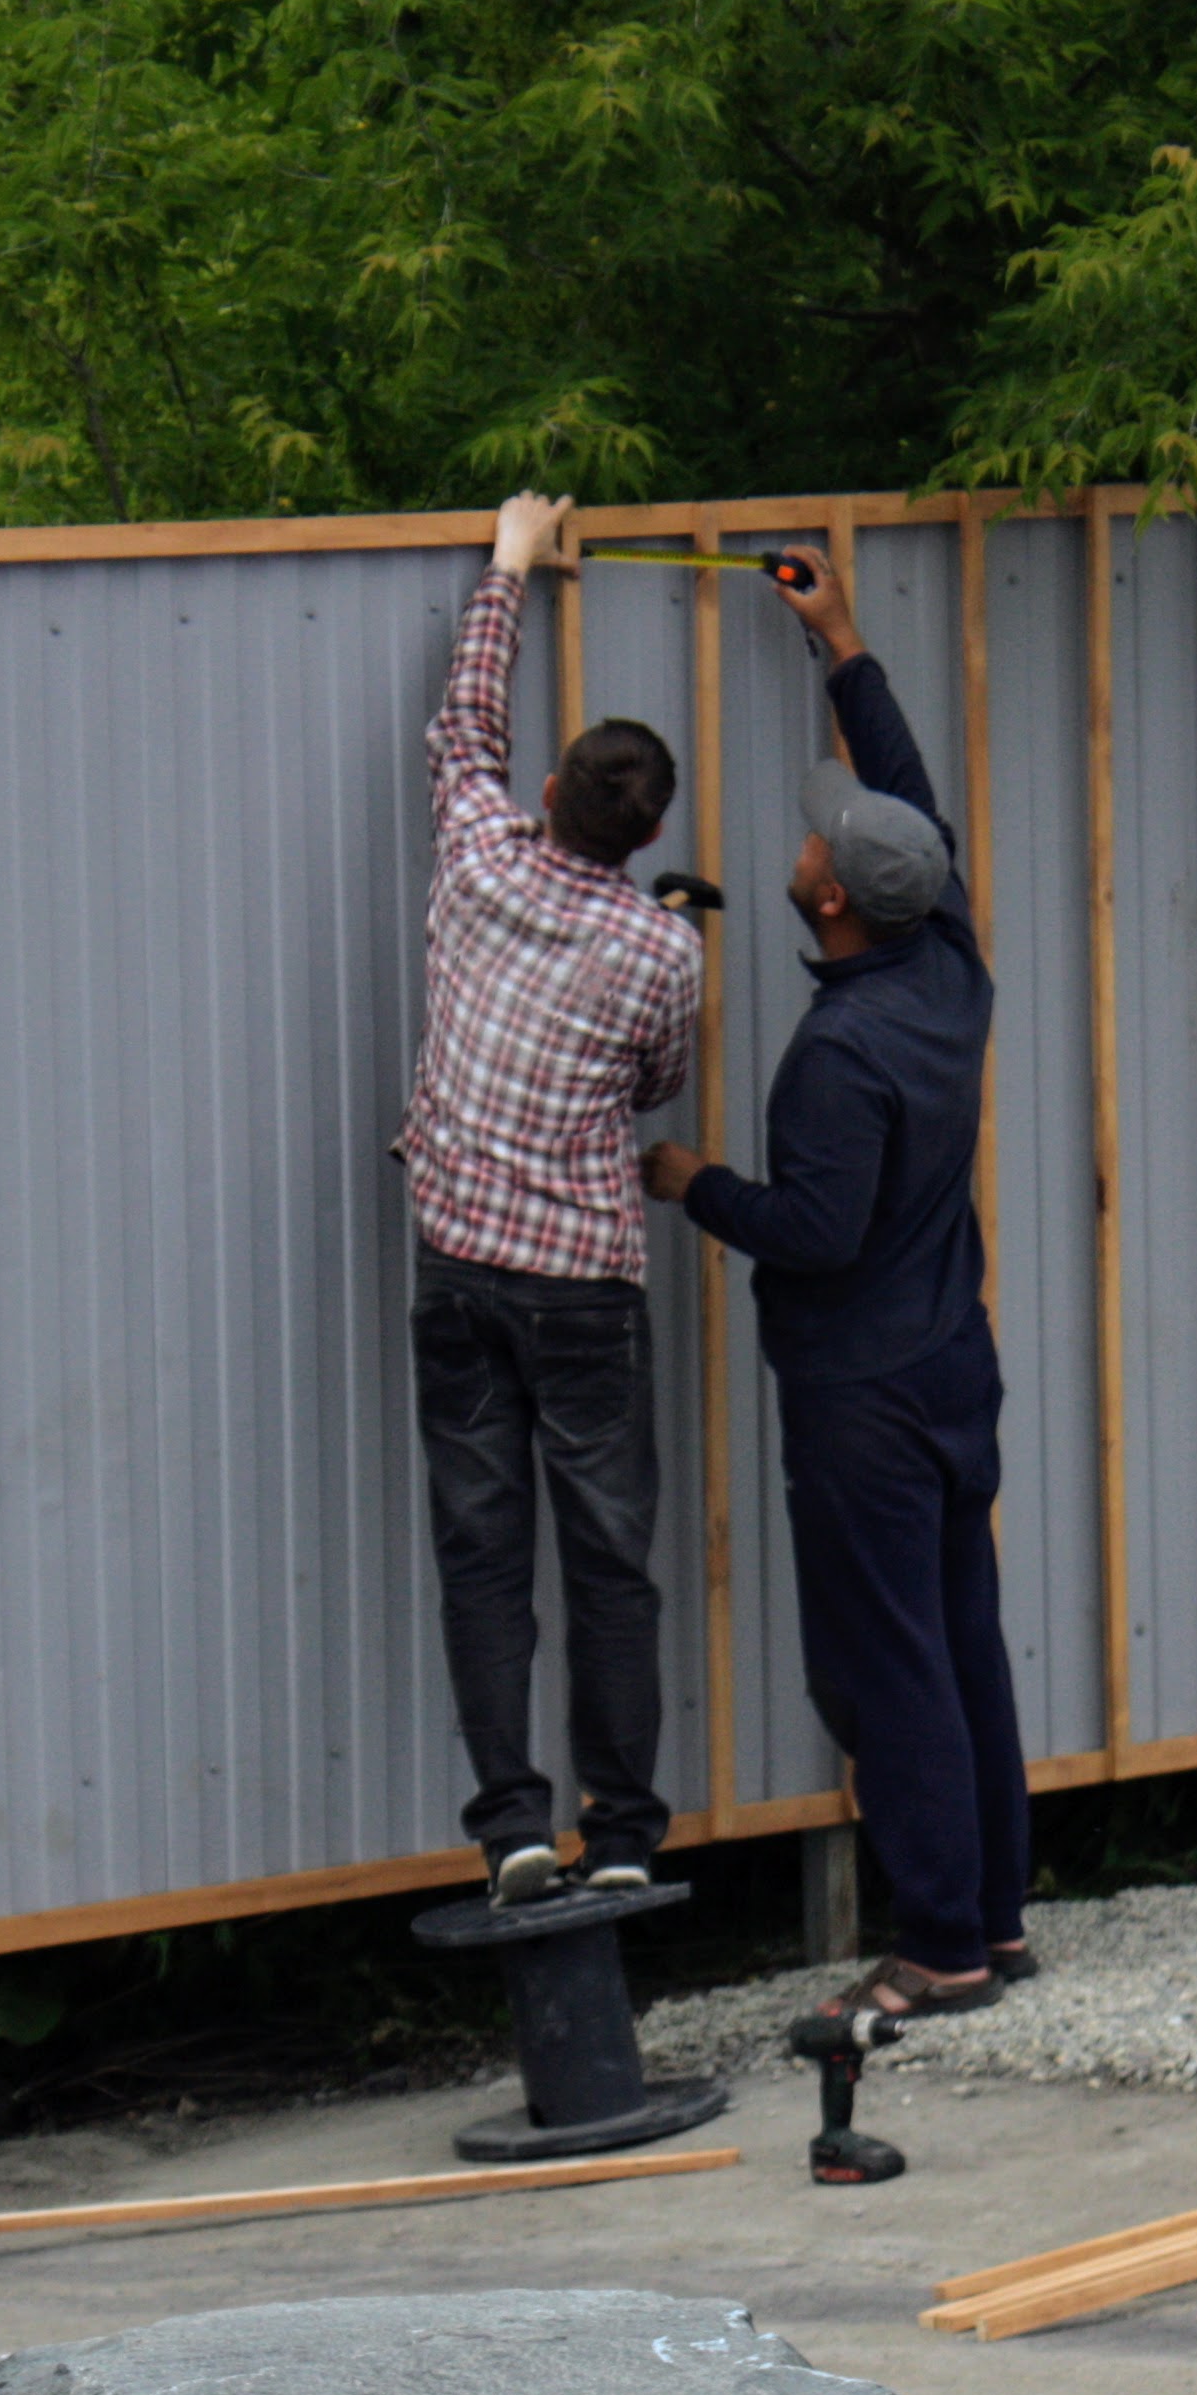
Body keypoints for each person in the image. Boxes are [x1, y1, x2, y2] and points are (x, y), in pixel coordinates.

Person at [642, 553, 1031, 2019]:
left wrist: (693, 1183)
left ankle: (938, 1948)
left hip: (864, 1400)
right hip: (950, 1370)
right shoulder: (948, 964)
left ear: (829, 902)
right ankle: (995, 1919)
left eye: (819, 842)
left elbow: (815, 1231)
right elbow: (912, 810)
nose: (809, 839)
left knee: (892, 1667)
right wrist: (844, 646)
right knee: (962, 1641)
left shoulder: (837, 1057)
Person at [399, 491, 705, 1907]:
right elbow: (656, 1084)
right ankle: (624, 1836)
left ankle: (514, 1829)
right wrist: (658, 936)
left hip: (460, 1265)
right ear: (649, 833)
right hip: (584, 1282)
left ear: (548, 791)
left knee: (483, 1552)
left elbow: (463, 723)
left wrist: (511, 563)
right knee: (607, 1561)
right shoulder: (660, 952)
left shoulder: (476, 851)